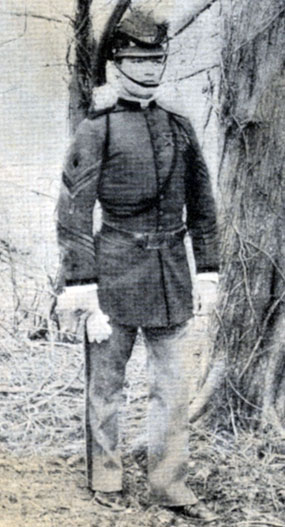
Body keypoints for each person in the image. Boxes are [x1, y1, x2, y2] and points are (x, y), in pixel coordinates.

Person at [56, 9, 219, 522]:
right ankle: (105, 477)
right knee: (106, 387)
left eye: (156, 60)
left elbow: (204, 206)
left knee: (173, 388)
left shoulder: (179, 127)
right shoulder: (96, 129)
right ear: (118, 63)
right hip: (112, 276)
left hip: (171, 274)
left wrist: (209, 270)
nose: (149, 69)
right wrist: (81, 286)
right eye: (137, 59)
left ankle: (168, 482)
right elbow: (73, 211)